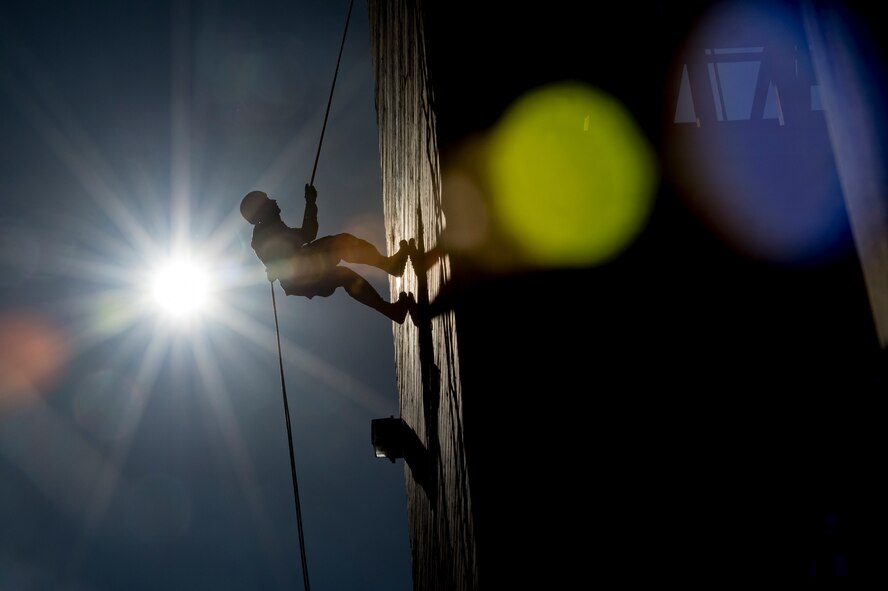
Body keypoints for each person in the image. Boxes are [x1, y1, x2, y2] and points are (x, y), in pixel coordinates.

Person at [240, 184, 417, 324]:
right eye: (267, 200)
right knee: (344, 272)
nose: (273, 200)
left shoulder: (273, 227)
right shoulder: (264, 235)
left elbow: (307, 234)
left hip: (304, 266)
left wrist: (310, 202)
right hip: (300, 276)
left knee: (341, 247)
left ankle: (391, 273)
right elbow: (300, 239)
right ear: (262, 210)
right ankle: (391, 303)